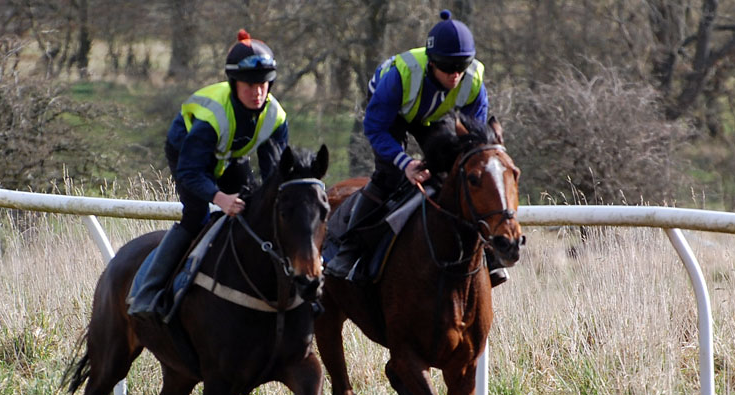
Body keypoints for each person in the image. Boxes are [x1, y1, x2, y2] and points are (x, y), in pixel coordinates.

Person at [326, 9, 508, 286]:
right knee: (390, 177)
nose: (455, 75)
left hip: (433, 117)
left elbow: (474, 143)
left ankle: (488, 252)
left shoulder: (473, 80)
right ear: (432, 63)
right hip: (392, 115)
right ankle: (349, 249)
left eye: (461, 67)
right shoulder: (399, 78)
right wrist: (405, 163)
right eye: (448, 68)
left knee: (456, 176)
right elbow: (375, 128)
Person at [128, 29, 289, 320]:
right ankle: (148, 291)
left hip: (230, 157)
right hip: (187, 153)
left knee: (253, 208)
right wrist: (219, 197)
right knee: (196, 214)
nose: (257, 92)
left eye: (263, 85)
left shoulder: (276, 118)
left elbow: (273, 175)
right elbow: (191, 172)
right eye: (248, 85)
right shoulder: (212, 117)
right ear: (233, 83)